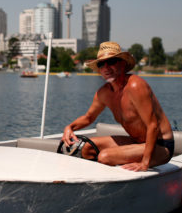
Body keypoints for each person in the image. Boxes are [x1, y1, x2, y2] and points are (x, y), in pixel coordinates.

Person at [62, 41, 174, 172]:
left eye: (111, 61)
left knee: (105, 157)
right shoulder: (103, 93)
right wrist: (69, 127)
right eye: (101, 64)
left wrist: (145, 163)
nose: (106, 67)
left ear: (123, 63)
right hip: (136, 142)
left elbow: (153, 125)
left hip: (160, 146)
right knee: (86, 147)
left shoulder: (135, 86)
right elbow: (88, 118)